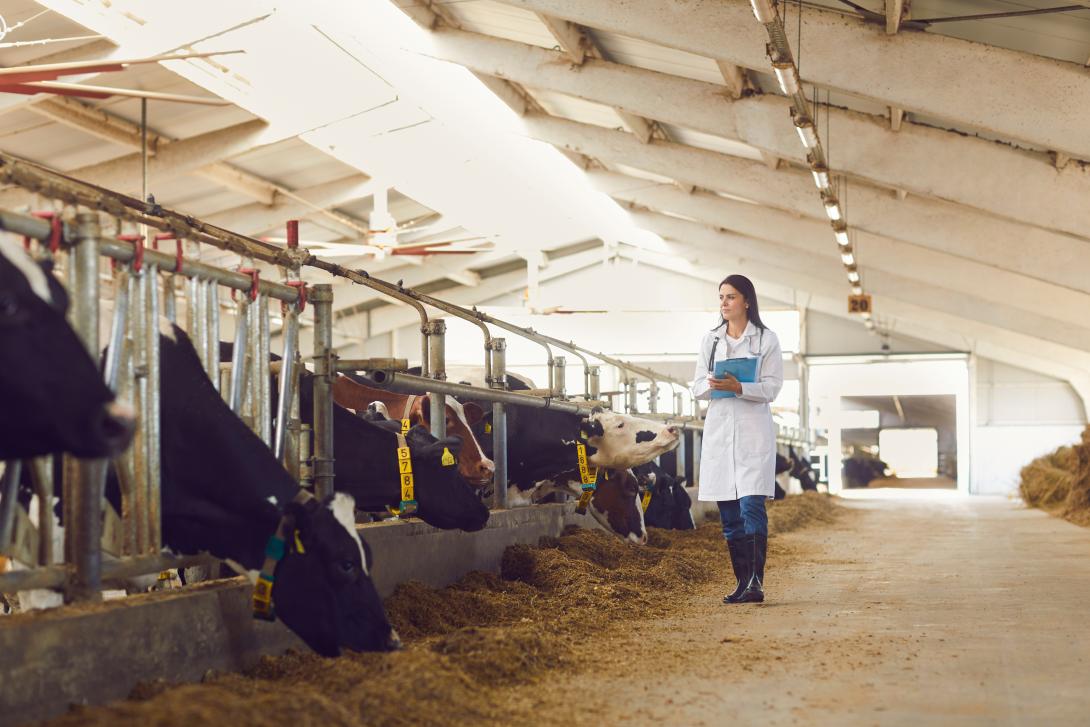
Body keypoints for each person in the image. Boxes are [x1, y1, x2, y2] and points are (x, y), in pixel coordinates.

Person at [691, 275, 783, 604]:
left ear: (747, 301)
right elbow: (696, 386)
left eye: (731, 297)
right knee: (729, 516)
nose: (724, 303)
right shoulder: (711, 340)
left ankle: (756, 582)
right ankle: (742, 582)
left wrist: (741, 387)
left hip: (752, 433)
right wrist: (714, 383)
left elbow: (772, 388)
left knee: (751, 508)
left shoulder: (766, 340)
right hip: (720, 433)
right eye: (721, 297)